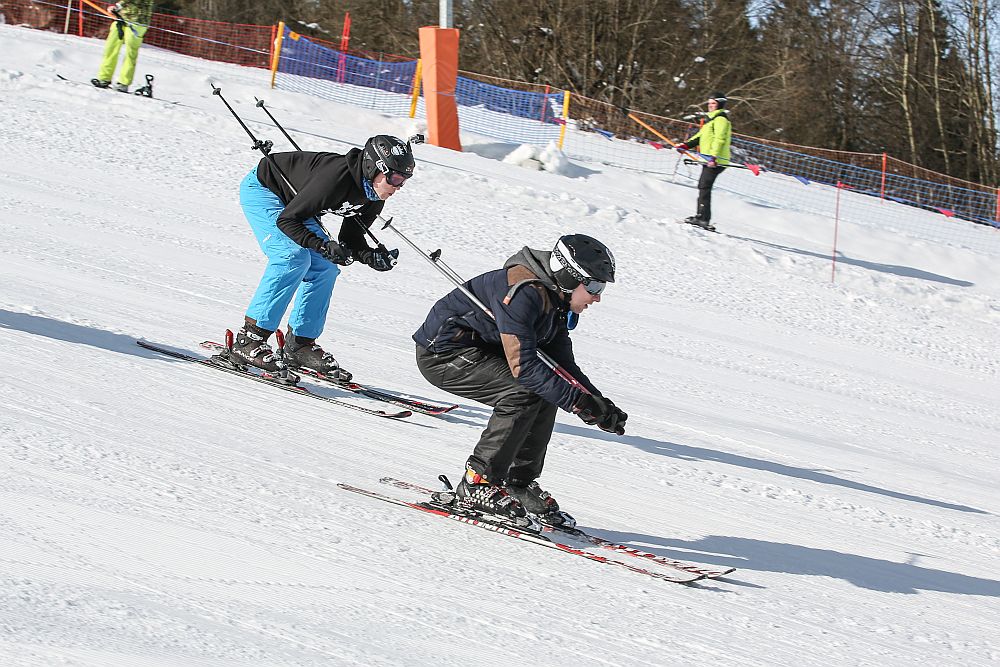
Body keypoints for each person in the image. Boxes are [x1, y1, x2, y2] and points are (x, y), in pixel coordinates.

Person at [413, 234, 629, 523]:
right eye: (593, 285)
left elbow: (562, 365)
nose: (597, 296)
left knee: (548, 388)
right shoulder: (524, 293)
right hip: (444, 354)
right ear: (568, 276)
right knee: (523, 392)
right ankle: (478, 482)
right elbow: (525, 368)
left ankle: (517, 481)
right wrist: (578, 403)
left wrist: (596, 402)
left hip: (484, 352)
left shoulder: (555, 299)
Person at [221, 135, 414, 382]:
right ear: (374, 167)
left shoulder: (374, 195)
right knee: (292, 258)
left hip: (297, 205)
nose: (398, 186)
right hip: (265, 191)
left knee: (325, 268)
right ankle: (249, 340)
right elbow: (287, 220)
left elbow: (351, 239)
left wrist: (371, 256)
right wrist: (322, 245)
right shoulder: (335, 179)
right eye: (395, 178)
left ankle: (299, 345)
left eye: (404, 180)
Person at [675, 92, 732, 230]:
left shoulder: (720, 120)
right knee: (703, 186)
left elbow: (720, 139)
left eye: (713, 103)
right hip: (709, 159)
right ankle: (702, 217)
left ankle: (702, 219)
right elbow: (699, 137)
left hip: (716, 161)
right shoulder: (711, 120)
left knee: (704, 186)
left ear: (720, 104)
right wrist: (686, 145)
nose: (710, 106)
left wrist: (714, 157)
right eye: (709, 103)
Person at [90, 1, 154, 93]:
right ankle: (104, 78)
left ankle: (124, 82)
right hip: (121, 18)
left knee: (130, 52)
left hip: (138, 21)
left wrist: (119, 5)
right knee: (111, 47)